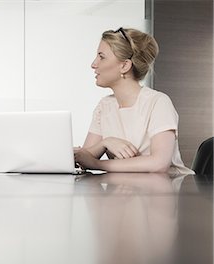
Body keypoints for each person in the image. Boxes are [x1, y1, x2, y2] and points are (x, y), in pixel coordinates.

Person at [75, 27, 194, 174]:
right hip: (129, 190)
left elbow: (159, 164)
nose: (94, 64)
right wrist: (106, 142)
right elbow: (84, 158)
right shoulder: (104, 106)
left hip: (171, 190)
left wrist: (98, 164)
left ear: (124, 66)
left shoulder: (158, 102)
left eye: (101, 57)